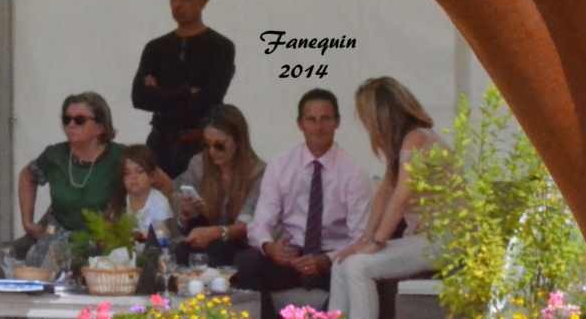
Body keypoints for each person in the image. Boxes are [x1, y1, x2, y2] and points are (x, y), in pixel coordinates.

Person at [235, 88, 371, 296]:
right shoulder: (280, 165)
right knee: (246, 262)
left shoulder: (354, 172)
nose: (318, 127)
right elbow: (260, 223)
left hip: (332, 259)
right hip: (291, 256)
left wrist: (326, 260)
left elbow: (360, 238)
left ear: (337, 122)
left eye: (325, 119)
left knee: (352, 271)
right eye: (311, 119)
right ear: (300, 124)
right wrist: (270, 248)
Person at [329, 78, 444, 319]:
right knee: (341, 262)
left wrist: (377, 240)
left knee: (358, 266)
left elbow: (401, 196)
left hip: (444, 239)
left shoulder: (417, 139)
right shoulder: (405, 142)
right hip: (425, 239)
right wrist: (365, 239)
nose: (364, 123)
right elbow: (384, 193)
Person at [131, 0, 236, 177]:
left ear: (203, 1)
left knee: (196, 206)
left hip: (200, 147)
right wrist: (187, 92)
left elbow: (209, 100)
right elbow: (139, 98)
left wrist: (160, 92)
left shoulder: (220, 47)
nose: (177, 4)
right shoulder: (155, 48)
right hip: (159, 145)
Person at [17, 92, 124, 264]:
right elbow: (27, 176)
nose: (71, 124)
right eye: (67, 119)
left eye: (79, 120)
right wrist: (27, 222)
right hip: (56, 239)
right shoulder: (55, 155)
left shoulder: (120, 156)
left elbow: (158, 181)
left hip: (103, 243)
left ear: (100, 127)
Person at [160, 103, 264, 266]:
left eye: (219, 145)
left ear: (239, 140)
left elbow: (247, 226)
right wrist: (186, 213)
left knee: (220, 251)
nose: (212, 151)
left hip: (241, 245)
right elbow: (177, 203)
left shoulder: (258, 172)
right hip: (205, 240)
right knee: (182, 250)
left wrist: (215, 233)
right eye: (207, 144)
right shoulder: (199, 163)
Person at [120, 145, 174, 234]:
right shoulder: (122, 201)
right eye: (127, 173)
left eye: (140, 171)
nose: (133, 177)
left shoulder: (159, 202)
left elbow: (161, 236)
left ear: (152, 176)